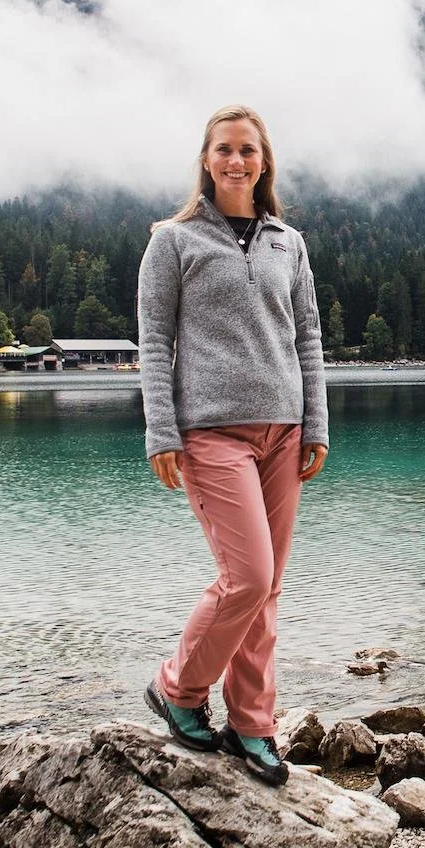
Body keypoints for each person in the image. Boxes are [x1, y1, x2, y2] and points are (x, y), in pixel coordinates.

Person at [136, 104, 329, 786]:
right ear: (206, 159)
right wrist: (162, 429)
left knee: (267, 588)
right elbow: (155, 343)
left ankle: (254, 724)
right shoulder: (175, 241)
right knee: (245, 576)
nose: (236, 160)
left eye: (248, 149)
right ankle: (179, 687)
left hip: (284, 431)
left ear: (264, 161)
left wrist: (317, 423)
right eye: (224, 149)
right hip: (210, 432)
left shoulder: (287, 242)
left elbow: (307, 336)